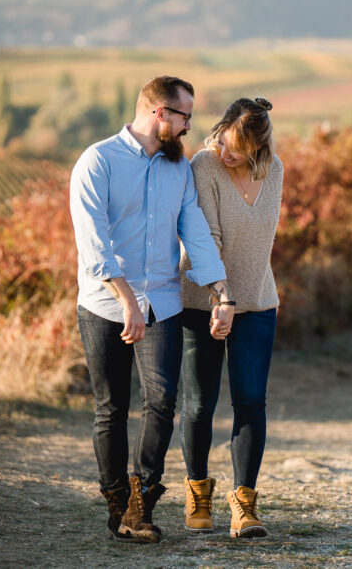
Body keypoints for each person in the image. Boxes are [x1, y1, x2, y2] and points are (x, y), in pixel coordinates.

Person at [69, 75, 236, 544]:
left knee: (162, 402)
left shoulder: (177, 168)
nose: (189, 126)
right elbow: (94, 246)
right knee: (111, 407)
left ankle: (141, 503)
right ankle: (118, 502)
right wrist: (127, 302)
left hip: (162, 302)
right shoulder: (97, 160)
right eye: (184, 115)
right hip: (104, 305)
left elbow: (197, 235)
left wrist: (222, 293)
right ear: (160, 112)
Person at [178, 96, 282, 539]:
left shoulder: (274, 170)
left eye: (237, 147)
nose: (227, 152)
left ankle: (245, 504)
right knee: (200, 404)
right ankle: (197, 493)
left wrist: (242, 299)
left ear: (258, 148)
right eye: (224, 139)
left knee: (250, 402)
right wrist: (221, 298)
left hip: (258, 301)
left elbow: (262, 242)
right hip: (203, 302)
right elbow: (209, 237)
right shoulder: (204, 165)